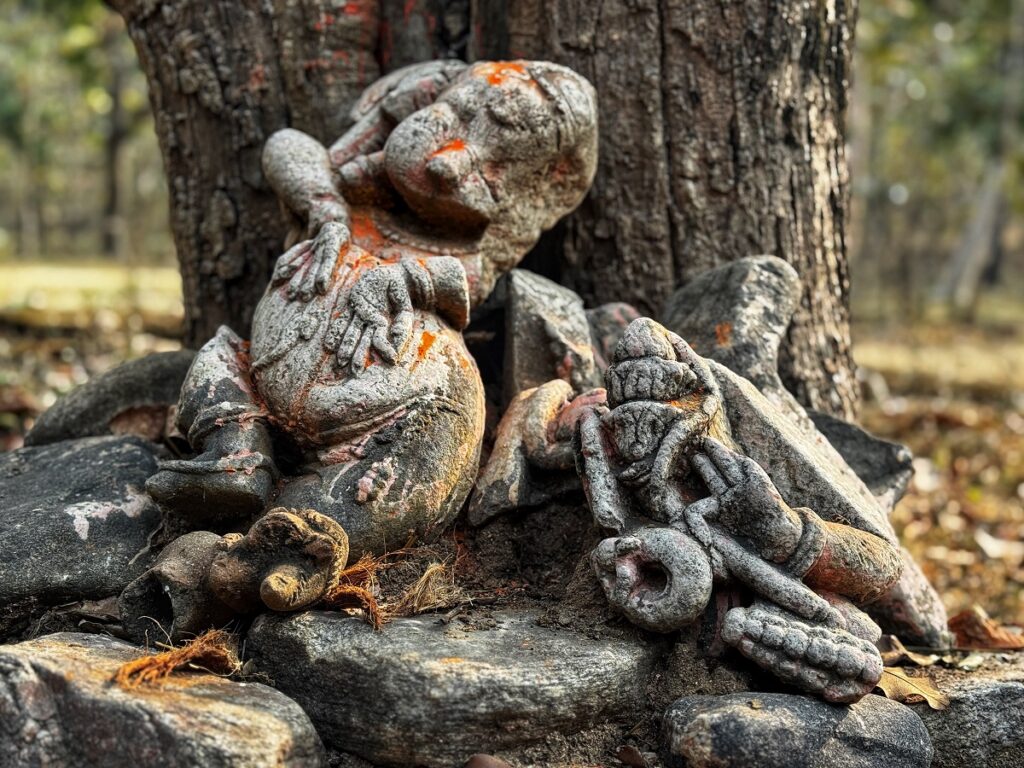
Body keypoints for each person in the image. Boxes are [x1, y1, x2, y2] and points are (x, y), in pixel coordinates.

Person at [145, 60, 599, 607]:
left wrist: (406, 276)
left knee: (446, 428)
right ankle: (236, 453)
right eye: (452, 121)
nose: (451, 165)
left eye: (496, 169)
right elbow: (287, 147)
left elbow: (462, 281)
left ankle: (311, 533)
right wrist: (327, 212)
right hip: (270, 362)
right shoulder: (338, 193)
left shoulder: (469, 247)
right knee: (220, 359)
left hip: (388, 402)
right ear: (421, 99)